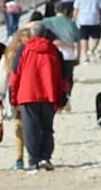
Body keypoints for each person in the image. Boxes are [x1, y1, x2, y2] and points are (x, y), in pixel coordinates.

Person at [12, 21, 64, 171]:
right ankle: (45, 157)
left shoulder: (24, 49)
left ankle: (34, 159)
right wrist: (62, 95)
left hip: (28, 93)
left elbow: (16, 73)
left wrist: (13, 95)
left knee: (30, 128)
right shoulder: (53, 50)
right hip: (49, 93)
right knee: (47, 127)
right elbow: (62, 75)